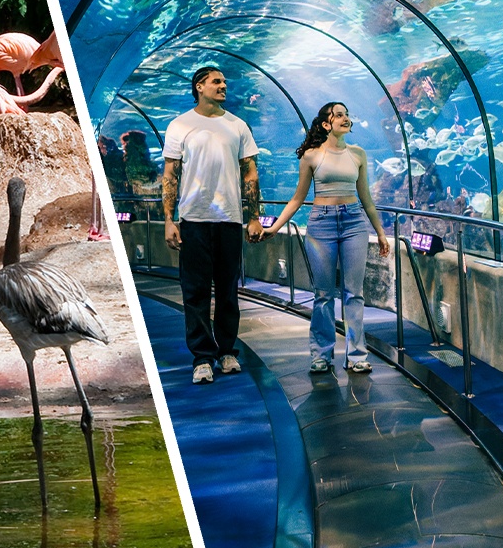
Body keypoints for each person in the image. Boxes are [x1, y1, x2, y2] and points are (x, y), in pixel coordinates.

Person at [261, 102, 390, 374]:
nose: (346, 118)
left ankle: (356, 355)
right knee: (323, 293)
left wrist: (379, 231)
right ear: (325, 124)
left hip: (354, 222)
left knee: (354, 293)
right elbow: (298, 198)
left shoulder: (358, 154)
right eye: (339, 114)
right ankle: (321, 354)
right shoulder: (311, 155)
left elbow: (366, 198)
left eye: (347, 114)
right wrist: (274, 227)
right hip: (321, 223)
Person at [162, 66, 262, 385]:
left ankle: (227, 351)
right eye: (217, 81)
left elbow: (250, 172)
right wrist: (169, 219)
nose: (223, 85)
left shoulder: (237, 125)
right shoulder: (180, 125)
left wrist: (254, 216)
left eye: (224, 80)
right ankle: (202, 357)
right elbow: (170, 175)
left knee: (228, 290)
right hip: (193, 220)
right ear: (199, 86)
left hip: (229, 219)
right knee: (195, 292)